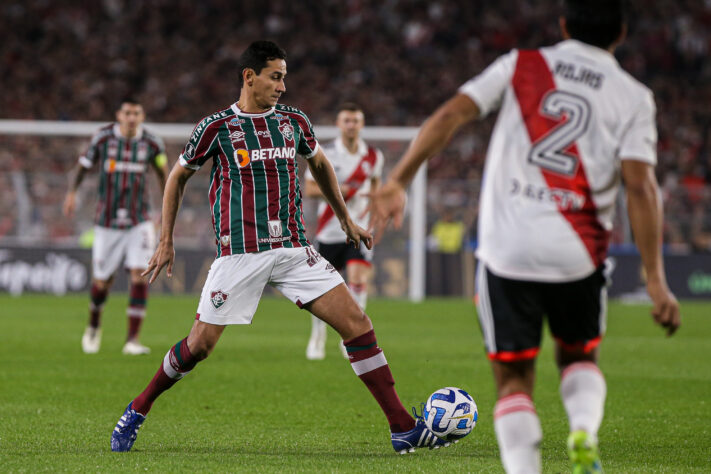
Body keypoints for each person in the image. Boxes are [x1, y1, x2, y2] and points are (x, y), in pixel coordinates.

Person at [370, 1, 682, 472]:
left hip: (508, 250)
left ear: (563, 25)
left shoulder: (521, 65)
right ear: (620, 33)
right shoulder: (634, 95)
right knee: (579, 358)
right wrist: (656, 279)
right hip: (578, 252)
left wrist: (398, 179)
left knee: (514, 378)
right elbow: (641, 186)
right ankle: (582, 428)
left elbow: (453, 114)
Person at [110, 40, 451, 454]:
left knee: (358, 323)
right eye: (275, 77)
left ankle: (402, 428)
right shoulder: (215, 128)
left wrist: (345, 218)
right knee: (199, 345)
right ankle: (138, 408)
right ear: (249, 77)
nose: (282, 86)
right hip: (239, 253)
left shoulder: (294, 122)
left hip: (293, 250)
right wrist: (166, 240)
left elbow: (321, 165)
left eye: (284, 77)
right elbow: (176, 178)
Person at [63, 98, 167, 355]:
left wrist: (166, 208)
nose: (132, 117)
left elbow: (164, 174)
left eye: (137, 113)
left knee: (139, 275)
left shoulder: (153, 143)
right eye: (128, 113)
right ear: (119, 115)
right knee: (102, 281)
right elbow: (83, 166)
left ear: (142, 116)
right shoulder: (102, 139)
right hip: (107, 222)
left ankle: (132, 340)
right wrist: (72, 193)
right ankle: (94, 326)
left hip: (139, 220)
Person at [303, 102, 384, 360]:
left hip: (359, 230)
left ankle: (355, 337)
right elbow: (311, 190)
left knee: (358, 280)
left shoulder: (373, 157)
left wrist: (376, 217)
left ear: (361, 124)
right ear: (339, 124)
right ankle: (317, 336)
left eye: (356, 120)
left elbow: (377, 192)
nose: (351, 125)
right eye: (346, 120)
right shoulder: (324, 152)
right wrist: (343, 190)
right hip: (330, 230)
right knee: (324, 289)